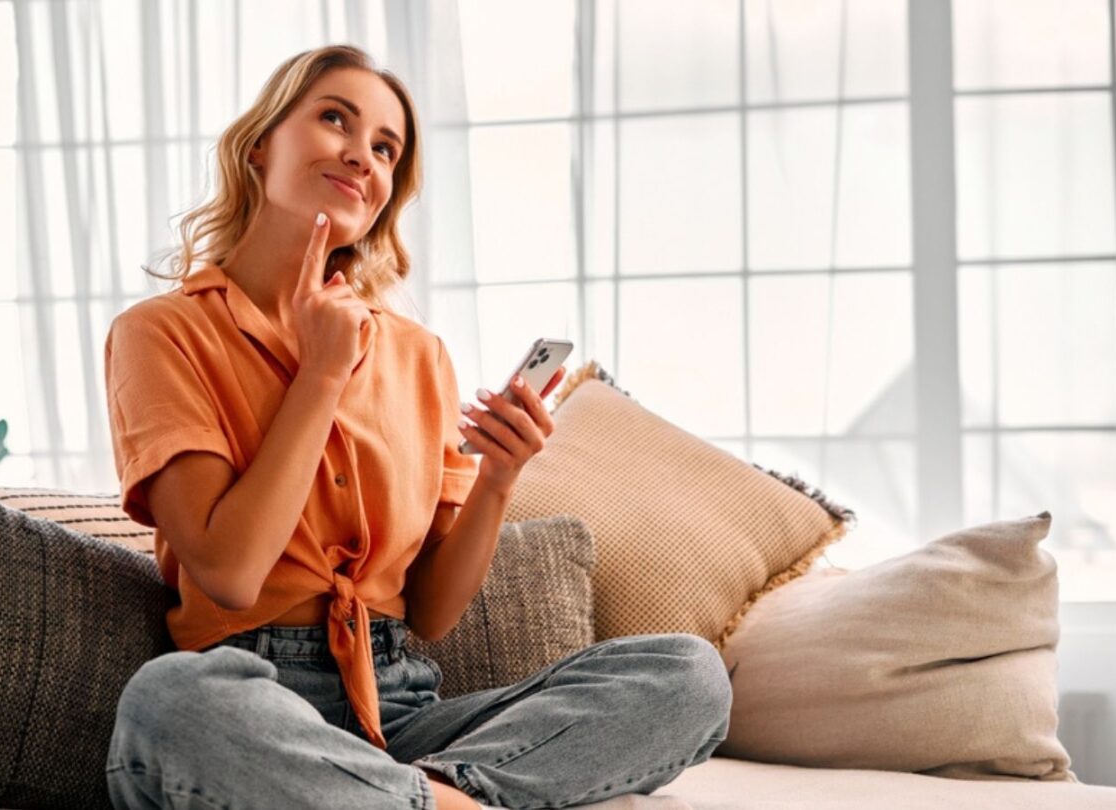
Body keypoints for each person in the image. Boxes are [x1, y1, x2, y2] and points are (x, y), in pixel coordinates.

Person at [101, 43, 732, 810]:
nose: (361, 155)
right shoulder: (161, 333)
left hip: (403, 716)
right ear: (261, 142)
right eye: (335, 118)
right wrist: (322, 375)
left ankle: (427, 799)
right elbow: (230, 574)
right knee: (170, 701)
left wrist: (499, 480)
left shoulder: (417, 354)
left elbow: (430, 612)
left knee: (686, 675)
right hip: (252, 696)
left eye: (385, 148)